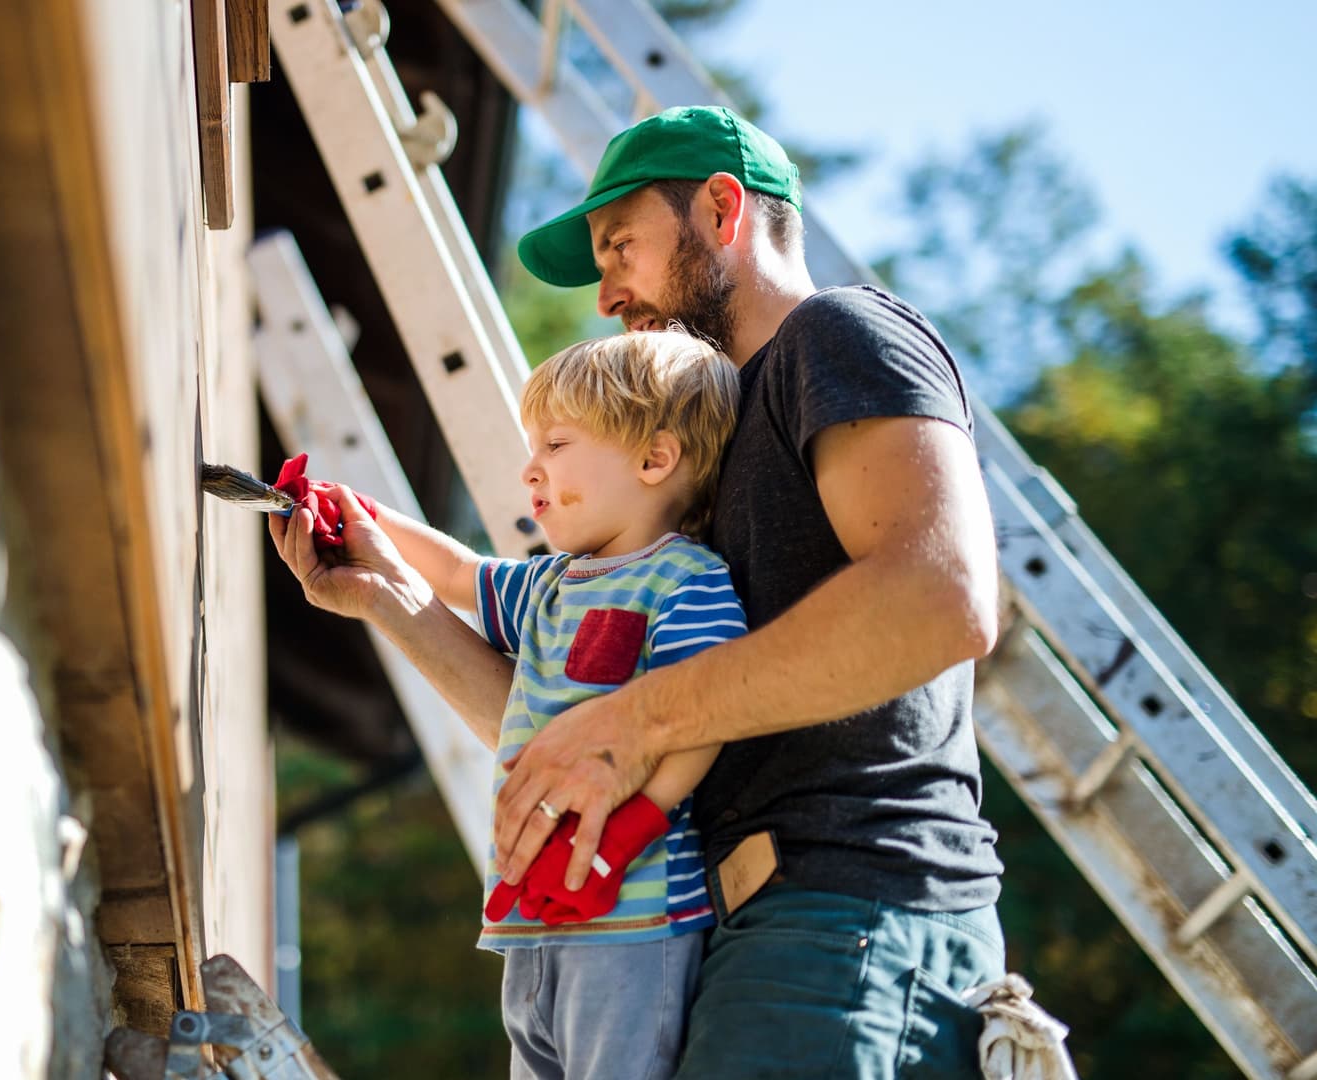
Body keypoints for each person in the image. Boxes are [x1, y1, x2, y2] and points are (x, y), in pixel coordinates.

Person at [270, 104, 1006, 1076]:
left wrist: (640, 720)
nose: (608, 295)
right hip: (740, 934)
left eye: (621, 247)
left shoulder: (839, 336)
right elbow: (574, 733)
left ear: (721, 207)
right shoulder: (696, 471)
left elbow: (942, 598)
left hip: (851, 912)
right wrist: (391, 598)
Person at [277, 330, 743, 1080]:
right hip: (529, 914)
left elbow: (706, 714)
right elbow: (458, 573)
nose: (530, 469)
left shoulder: (685, 583)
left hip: (635, 915)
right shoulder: (552, 583)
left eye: (556, 444)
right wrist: (361, 515)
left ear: (655, 460)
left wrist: (638, 823)